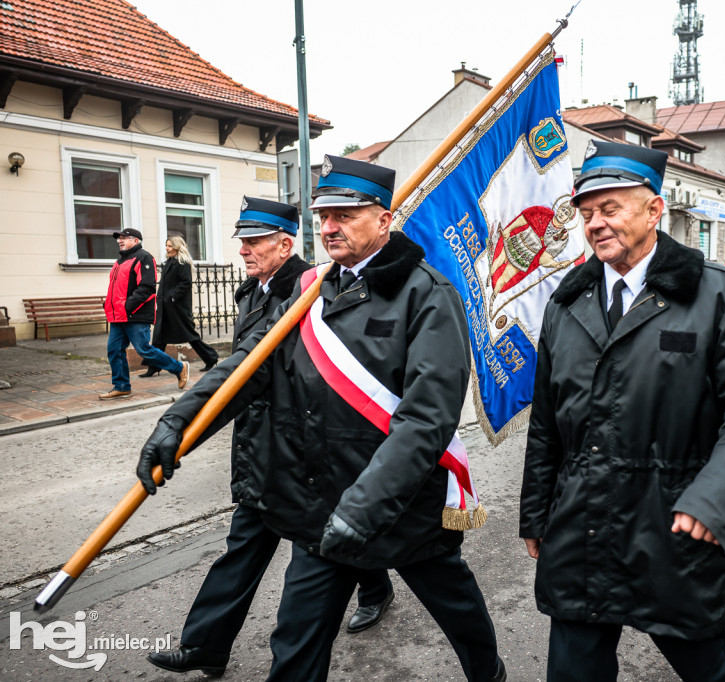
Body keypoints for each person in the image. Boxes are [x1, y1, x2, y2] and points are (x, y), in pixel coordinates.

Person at [137, 158, 504, 682]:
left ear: (384, 218)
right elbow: (249, 367)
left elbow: (427, 418)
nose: (329, 227)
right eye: (322, 215)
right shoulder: (307, 289)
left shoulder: (427, 294)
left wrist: (365, 507)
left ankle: (489, 672)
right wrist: (178, 425)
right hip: (320, 514)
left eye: (345, 214)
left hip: (401, 512)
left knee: (460, 616)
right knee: (295, 645)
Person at [520, 140, 725, 681]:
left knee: (708, 670)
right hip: (581, 526)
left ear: (654, 210)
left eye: (610, 209)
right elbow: (548, 422)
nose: (596, 223)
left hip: (674, 526)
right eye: (586, 213)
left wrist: (715, 500)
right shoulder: (566, 303)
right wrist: (536, 513)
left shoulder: (719, 295)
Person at [143, 198, 395, 677]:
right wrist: (180, 425)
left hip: (305, 448)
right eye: (242, 240)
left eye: (255, 241)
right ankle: (206, 646)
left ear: (285, 244)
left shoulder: (310, 291)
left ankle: (376, 588)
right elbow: (240, 372)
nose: (244, 250)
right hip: (261, 445)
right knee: (243, 548)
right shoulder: (251, 293)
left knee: (336, 537)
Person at [101, 228, 189, 399]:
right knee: (114, 350)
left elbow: (147, 287)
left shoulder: (144, 257)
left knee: (144, 350)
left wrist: (127, 306)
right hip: (118, 315)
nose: (120, 240)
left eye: (124, 238)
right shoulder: (120, 261)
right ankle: (121, 386)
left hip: (135, 314)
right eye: (119, 238)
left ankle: (179, 368)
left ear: (135, 240)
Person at [140, 235, 219, 377]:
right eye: (167, 245)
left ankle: (211, 357)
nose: (167, 248)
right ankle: (153, 367)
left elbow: (186, 283)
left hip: (177, 308)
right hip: (165, 307)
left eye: (170, 246)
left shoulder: (183, 263)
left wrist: (172, 296)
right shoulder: (169, 261)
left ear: (177, 247)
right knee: (159, 337)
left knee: (190, 336)